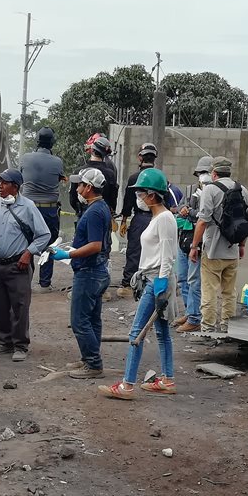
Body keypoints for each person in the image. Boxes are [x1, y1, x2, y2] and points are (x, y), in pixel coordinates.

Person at [98, 169, 179, 400]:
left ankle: (127, 385)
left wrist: (162, 283)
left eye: (141, 193)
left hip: (157, 280)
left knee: (137, 333)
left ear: (152, 195)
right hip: (154, 279)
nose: (139, 198)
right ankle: (167, 379)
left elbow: (167, 255)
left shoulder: (163, 218)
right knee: (162, 332)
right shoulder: (159, 217)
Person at [0, 168, 51, 362]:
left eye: (4, 183)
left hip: (18, 265)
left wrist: (29, 252)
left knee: (20, 306)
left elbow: (44, 234)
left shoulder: (28, 206)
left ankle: (20, 345)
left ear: (15, 186)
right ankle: (4, 342)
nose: (0, 186)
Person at [54, 168, 113, 379]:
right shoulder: (99, 208)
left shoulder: (95, 211)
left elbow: (96, 245)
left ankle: (93, 364)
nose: (77, 188)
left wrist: (68, 254)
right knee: (92, 319)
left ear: (88, 187)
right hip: (96, 270)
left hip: (89, 272)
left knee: (80, 320)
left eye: (79, 185)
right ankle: (89, 359)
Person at [190, 157, 248, 333]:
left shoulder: (210, 189)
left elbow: (203, 221)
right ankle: (227, 326)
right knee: (229, 292)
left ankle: (208, 327)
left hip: (212, 251)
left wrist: (194, 247)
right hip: (232, 250)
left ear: (214, 173)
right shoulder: (243, 190)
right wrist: (242, 245)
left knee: (209, 291)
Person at [18, 126, 64, 288]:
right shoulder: (57, 162)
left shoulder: (25, 158)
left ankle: (25, 280)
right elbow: (57, 180)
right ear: (52, 143)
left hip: (28, 208)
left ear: (37, 141)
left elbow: (20, 177)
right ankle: (45, 283)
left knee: (26, 243)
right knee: (48, 244)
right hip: (49, 209)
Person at [173, 154, 213, 334]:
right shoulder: (189, 190)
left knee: (195, 280)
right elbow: (179, 211)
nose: (202, 176)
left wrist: (192, 212)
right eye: (200, 172)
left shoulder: (214, 193)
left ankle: (195, 317)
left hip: (199, 242)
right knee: (183, 278)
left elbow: (206, 217)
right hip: (184, 239)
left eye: (206, 172)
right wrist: (184, 211)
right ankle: (190, 312)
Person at [117, 142, 159, 294]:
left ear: (140, 157)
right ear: (155, 158)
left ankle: (128, 283)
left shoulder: (134, 178)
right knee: (156, 250)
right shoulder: (160, 176)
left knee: (134, 249)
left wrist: (123, 221)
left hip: (140, 219)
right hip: (157, 217)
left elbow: (128, 202)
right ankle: (151, 282)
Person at [69, 134, 119, 217]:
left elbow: (72, 199)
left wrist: (80, 210)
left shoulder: (79, 172)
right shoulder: (110, 174)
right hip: (104, 213)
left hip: (83, 212)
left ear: (92, 150)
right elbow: (113, 199)